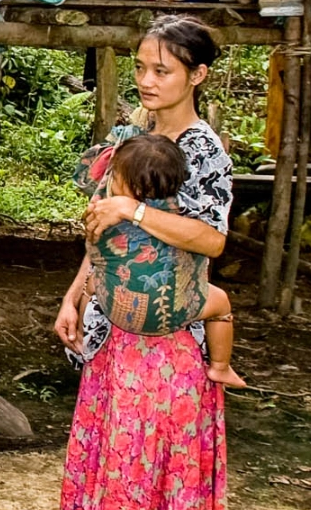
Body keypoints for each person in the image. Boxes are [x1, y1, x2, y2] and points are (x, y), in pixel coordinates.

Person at [29, 16, 233, 510]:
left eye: (161, 70)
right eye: (141, 67)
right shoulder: (133, 138)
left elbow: (211, 241)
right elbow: (101, 234)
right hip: (116, 330)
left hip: (171, 337)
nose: (146, 80)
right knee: (102, 443)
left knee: (165, 456)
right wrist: (75, 296)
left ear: (196, 75)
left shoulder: (202, 151)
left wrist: (136, 209)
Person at [88, 133, 244, 388]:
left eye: (115, 175)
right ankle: (221, 367)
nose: (111, 180)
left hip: (114, 305)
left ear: (135, 187)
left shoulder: (104, 208)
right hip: (172, 311)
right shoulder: (178, 210)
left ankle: (86, 335)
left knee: (93, 281)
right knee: (221, 303)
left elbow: (93, 246)